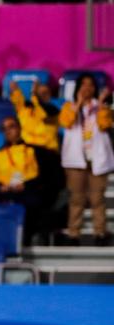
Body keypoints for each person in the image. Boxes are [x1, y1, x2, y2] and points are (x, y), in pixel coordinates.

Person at [58, 73, 114, 246]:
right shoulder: (69, 107)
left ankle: (100, 233)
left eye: (90, 85)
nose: (87, 88)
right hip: (76, 160)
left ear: (95, 88)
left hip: (97, 158)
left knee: (97, 199)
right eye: (83, 84)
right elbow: (66, 122)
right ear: (77, 88)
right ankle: (73, 233)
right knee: (76, 199)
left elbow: (105, 125)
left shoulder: (102, 107)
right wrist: (79, 105)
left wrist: (102, 106)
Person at [0, 116, 43, 244]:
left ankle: (29, 240)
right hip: (4, 193)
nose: (7, 131)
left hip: (26, 192)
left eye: (11, 127)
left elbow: (40, 178)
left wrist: (25, 186)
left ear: (19, 128)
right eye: (4, 128)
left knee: (34, 201)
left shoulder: (32, 151)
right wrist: (0, 187)